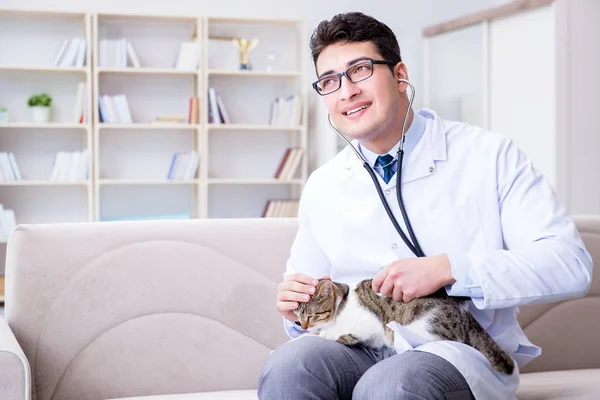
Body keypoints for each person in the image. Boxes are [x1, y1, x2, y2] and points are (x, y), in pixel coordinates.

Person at [257, 11, 592, 400]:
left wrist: (450, 268)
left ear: (400, 76)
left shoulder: (489, 155)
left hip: (455, 352)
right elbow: (311, 304)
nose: (346, 91)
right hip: (356, 347)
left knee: (390, 385)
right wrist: (296, 307)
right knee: (289, 366)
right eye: (330, 81)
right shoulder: (324, 184)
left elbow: (570, 264)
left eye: (360, 70)